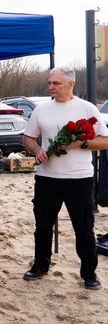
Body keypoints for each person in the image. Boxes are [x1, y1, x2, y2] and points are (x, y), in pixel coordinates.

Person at [22, 66, 108, 290]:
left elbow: (105, 140)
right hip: (46, 178)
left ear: (71, 83)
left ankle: (89, 273)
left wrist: (81, 143)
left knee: (84, 228)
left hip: (79, 179)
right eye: (49, 83)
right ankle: (40, 265)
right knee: (43, 226)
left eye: (56, 83)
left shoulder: (87, 108)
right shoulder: (41, 109)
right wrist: (36, 150)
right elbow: (28, 138)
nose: (51, 87)